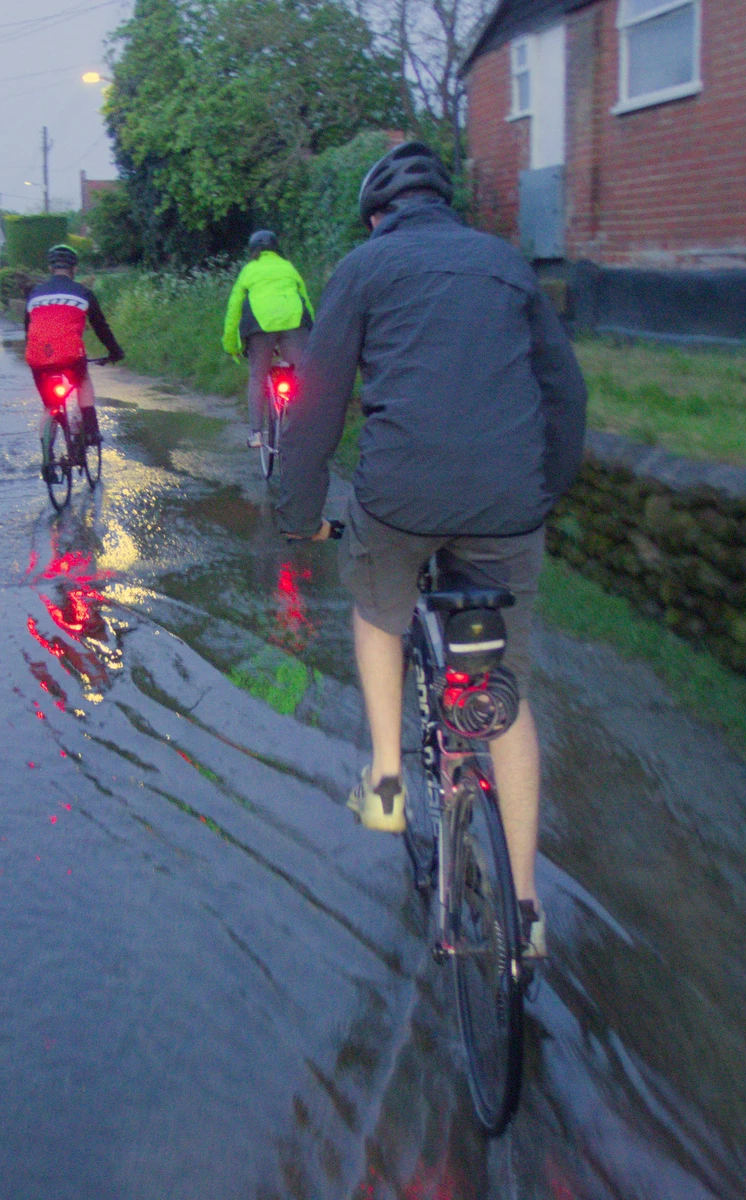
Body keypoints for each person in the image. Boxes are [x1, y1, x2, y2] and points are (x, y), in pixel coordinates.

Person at [275, 142, 587, 958]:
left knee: (378, 601)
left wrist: (299, 514)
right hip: (509, 503)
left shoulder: (366, 267)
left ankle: (385, 779)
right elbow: (565, 392)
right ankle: (524, 911)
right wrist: (541, 494)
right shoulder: (506, 266)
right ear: (447, 206)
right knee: (503, 691)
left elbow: (316, 404)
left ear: (379, 214)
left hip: (403, 497)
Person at [25, 243, 124, 474]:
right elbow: (101, 328)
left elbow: (28, 330)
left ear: (50, 267)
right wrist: (115, 351)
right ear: (74, 268)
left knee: (49, 406)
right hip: (70, 355)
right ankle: (90, 429)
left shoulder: (34, 294)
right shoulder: (83, 292)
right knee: (82, 380)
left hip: (37, 356)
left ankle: (47, 458)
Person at [222, 230, 314, 449]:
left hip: (260, 328)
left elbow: (234, 309)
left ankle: (256, 434)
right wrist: (314, 335)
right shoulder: (288, 267)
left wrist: (232, 345)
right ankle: (304, 428)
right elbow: (306, 302)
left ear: (253, 250)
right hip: (293, 323)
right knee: (300, 376)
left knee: (258, 376)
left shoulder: (249, 270)